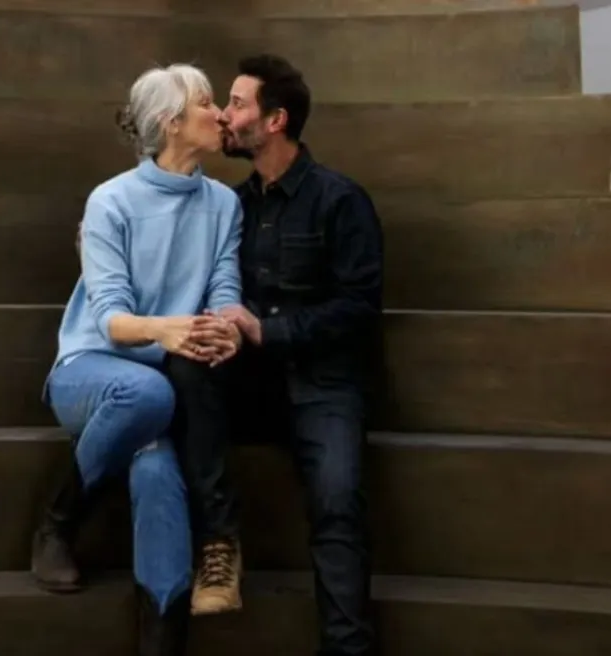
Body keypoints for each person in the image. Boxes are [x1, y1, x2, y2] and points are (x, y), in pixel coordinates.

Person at [164, 54, 383, 655]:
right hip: (253, 383)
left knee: (337, 503)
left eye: (237, 104)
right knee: (184, 369)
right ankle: (218, 546)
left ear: (275, 120)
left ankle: (348, 650)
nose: (224, 115)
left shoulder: (340, 200)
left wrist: (267, 330)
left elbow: (359, 308)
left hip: (325, 384)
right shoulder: (231, 206)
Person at [30, 62, 244, 655]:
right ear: (171, 122)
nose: (219, 114)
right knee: (149, 394)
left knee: (156, 472)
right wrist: (166, 331)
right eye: (206, 103)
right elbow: (110, 320)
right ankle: (60, 519)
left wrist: (227, 328)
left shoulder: (224, 204)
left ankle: (162, 638)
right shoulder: (111, 201)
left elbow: (224, 287)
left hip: (165, 380)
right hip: (92, 371)